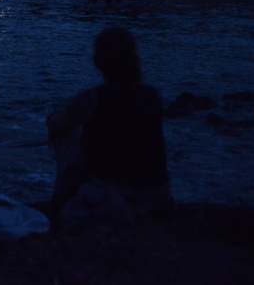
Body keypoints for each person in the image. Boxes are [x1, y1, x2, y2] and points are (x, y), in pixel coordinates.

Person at [46, 27, 173, 223]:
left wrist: (55, 119)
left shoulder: (92, 99)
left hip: (115, 195)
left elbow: (57, 125)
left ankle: (60, 201)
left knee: (66, 136)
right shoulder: (152, 95)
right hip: (157, 195)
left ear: (98, 62)